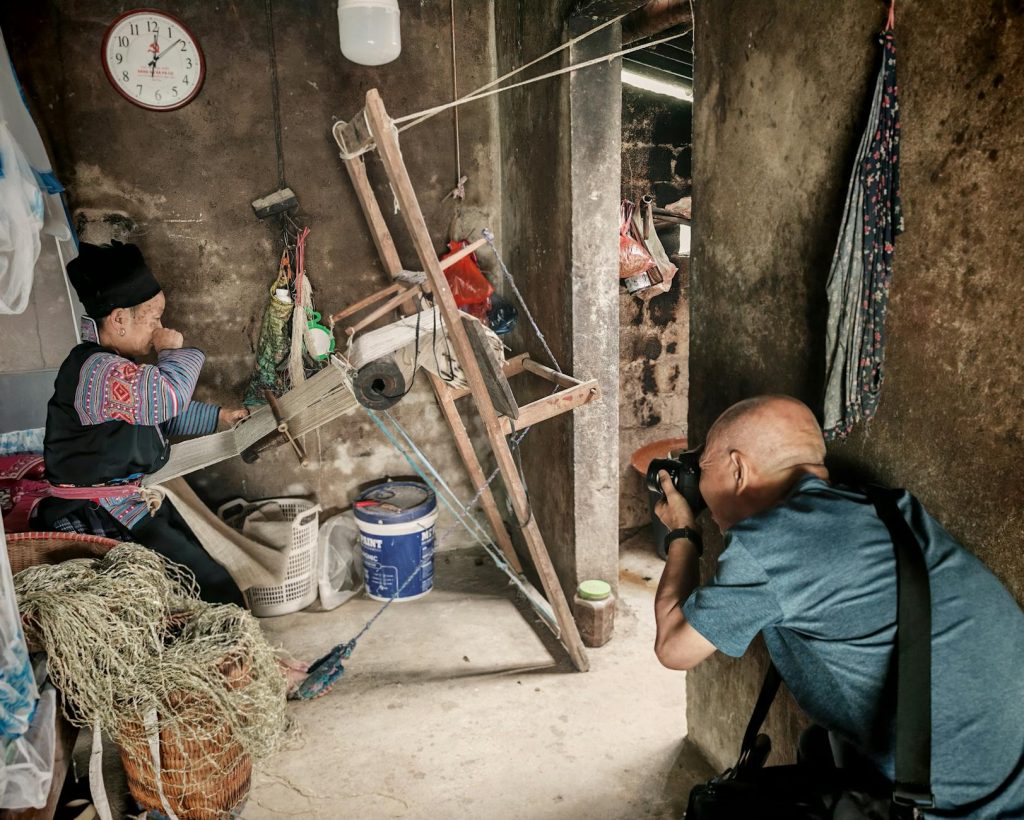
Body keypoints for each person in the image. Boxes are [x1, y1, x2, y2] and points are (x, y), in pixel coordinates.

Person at [653, 395, 1024, 818]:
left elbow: (673, 647)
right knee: (818, 744)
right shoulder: (887, 505)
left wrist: (684, 532)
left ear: (738, 468)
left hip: (966, 808)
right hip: (1009, 769)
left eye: (703, 470)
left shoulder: (775, 541)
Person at [38, 241, 248, 606]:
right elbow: (166, 399)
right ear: (119, 320)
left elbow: (158, 414)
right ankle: (228, 651)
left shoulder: (111, 366)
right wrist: (172, 351)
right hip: (97, 512)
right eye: (153, 317)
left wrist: (219, 417)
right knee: (208, 584)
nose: (159, 328)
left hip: (126, 499)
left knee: (205, 560)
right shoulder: (98, 371)